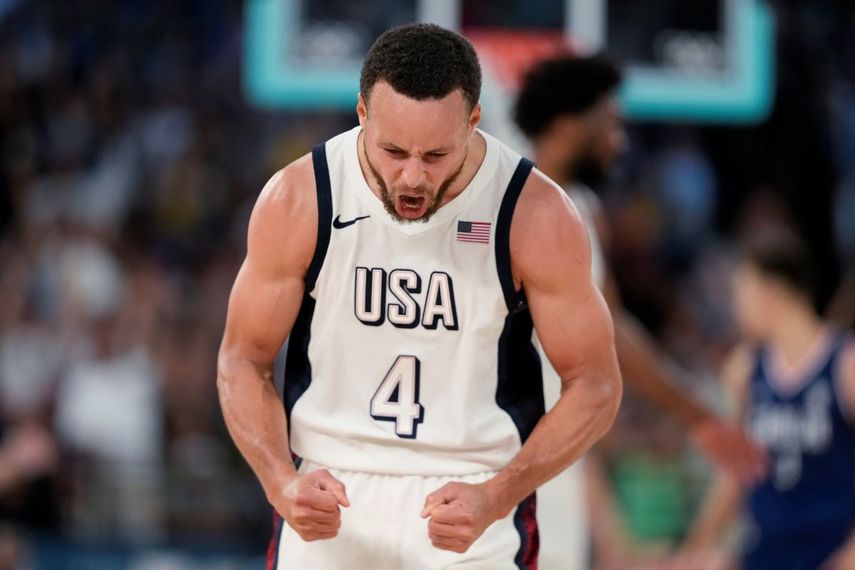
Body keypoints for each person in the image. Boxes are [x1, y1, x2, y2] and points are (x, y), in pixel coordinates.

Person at [217, 24, 622, 569]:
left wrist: (500, 494)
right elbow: (242, 359)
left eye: (435, 155)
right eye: (392, 150)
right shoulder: (301, 196)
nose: (411, 176)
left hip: (471, 492)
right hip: (329, 484)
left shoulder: (534, 212)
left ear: (473, 121)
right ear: (362, 113)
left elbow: (596, 384)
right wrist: (278, 481)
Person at [513, 53, 766, 569]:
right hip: (495, 443)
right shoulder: (506, 199)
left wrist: (695, 413)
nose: (619, 142)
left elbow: (612, 331)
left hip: (550, 452)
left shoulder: (582, 206)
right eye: (609, 125)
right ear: (566, 125)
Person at [679, 231, 855, 570]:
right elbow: (736, 471)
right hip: (765, 553)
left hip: (831, 550)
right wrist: (694, 548)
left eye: (740, 292)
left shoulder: (844, 364)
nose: (735, 306)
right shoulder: (745, 369)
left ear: (770, 292)